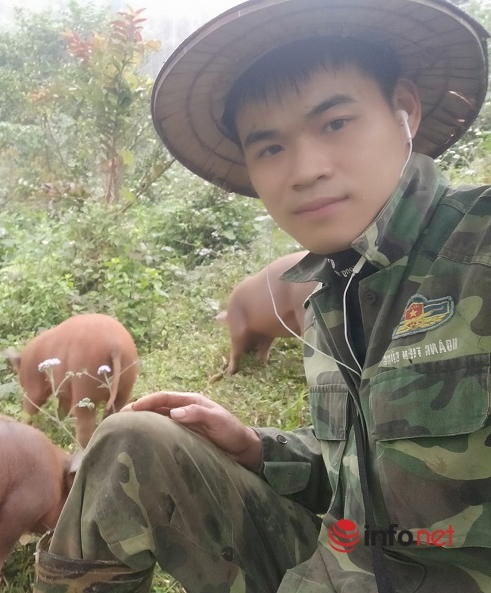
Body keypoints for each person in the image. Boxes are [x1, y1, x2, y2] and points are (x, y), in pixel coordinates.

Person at [32, 0, 491, 592]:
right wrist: (257, 448)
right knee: (130, 439)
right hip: (335, 565)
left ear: (403, 109)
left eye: (335, 123)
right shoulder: (330, 289)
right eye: (270, 147)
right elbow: (360, 473)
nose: (305, 169)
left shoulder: (476, 248)